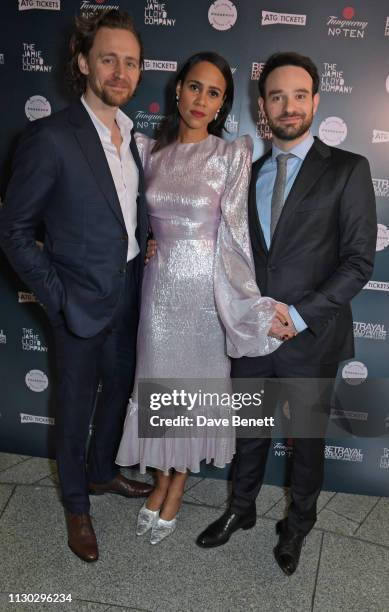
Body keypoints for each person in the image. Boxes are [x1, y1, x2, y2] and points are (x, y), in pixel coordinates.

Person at [196, 52, 377, 575]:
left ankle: (296, 526)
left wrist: (297, 317)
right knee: (250, 430)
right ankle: (241, 509)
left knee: (306, 443)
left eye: (300, 95)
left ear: (316, 102)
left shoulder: (348, 170)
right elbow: (230, 254)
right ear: (262, 106)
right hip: (253, 334)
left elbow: (358, 261)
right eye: (278, 96)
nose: (289, 106)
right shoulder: (244, 174)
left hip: (310, 337)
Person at [116, 51, 292, 545]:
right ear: (178, 90)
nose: (201, 99)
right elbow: (131, 215)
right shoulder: (148, 150)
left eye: (214, 93)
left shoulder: (229, 155)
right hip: (158, 292)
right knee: (158, 387)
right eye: (195, 87)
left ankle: (176, 486)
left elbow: (235, 236)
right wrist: (146, 238)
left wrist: (247, 304)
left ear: (221, 105)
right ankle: (160, 479)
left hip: (204, 296)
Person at [0, 10, 153, 563]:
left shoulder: (135, 137)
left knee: (117, 392)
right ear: (84, 62)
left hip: (130, 292)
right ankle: (74, 504)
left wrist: (144, 243)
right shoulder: (50, 137)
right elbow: (14, 232)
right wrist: (57, 297)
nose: (120, 71)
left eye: (130, 62)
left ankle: (102, 472)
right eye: (108, 58)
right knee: (73, 404)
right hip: (77, 304)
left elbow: (123, 214)